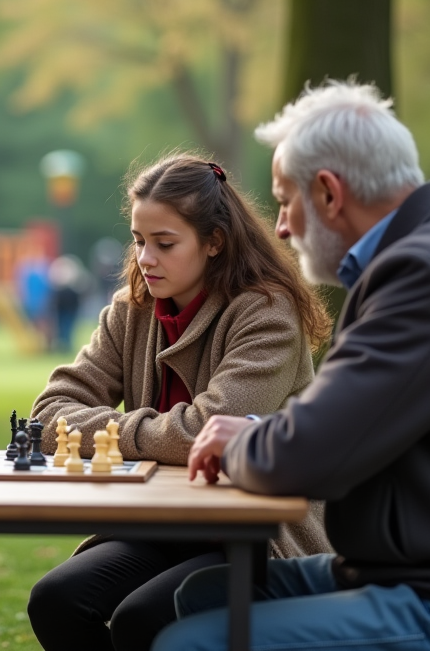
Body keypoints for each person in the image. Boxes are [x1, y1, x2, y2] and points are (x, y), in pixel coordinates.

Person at [158, 81, 430, 651]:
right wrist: (261, 432)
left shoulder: (422, 275)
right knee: (201, 596)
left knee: (191, 642)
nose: (281, 227)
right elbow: (340, 422)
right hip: (423, 571)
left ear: (330, 193)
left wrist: (242, 445)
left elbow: (313, 454)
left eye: (286, 202)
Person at [28, 153, 334, 651]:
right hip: (161, 522)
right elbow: (48, 414)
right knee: (56, 600)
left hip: (253, 534)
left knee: (140, 621)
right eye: (139, 240)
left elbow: (209, 431)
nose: (145, 259)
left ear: (214, 242)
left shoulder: (267, 313)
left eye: (164, 243)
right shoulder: (132, 309)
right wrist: (148, 434)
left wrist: (115, 432)